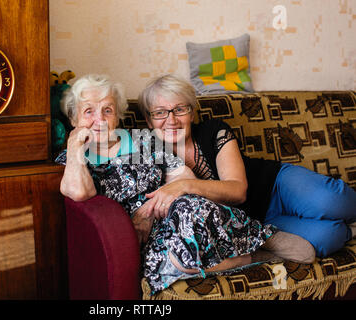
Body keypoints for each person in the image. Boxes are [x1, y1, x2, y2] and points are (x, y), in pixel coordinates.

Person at [55, 74, 313, 295]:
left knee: (190, 206)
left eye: (107, 110)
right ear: (74, 118)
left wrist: (151, 209)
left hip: (172, 216)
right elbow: (79, 192)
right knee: (181, 263)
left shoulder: (142, 140)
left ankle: (259, 235)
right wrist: (75, 145)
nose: (99, 119)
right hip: (136, 238)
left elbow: (185, 178)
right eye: (88, 111)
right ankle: (256, 253)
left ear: (118, 115)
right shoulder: (73, 158)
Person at [137, 73, 356, 259]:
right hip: (259, 222)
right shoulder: (148, 156)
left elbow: (237, 190)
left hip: (276, 185)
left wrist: (184, 185)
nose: (171, 119)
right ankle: (350, 230)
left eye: (180, 109)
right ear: (149, 121)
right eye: (159, 112)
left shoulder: (214, 130)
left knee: (332, 201)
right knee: (328, 237)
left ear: (192, 112)